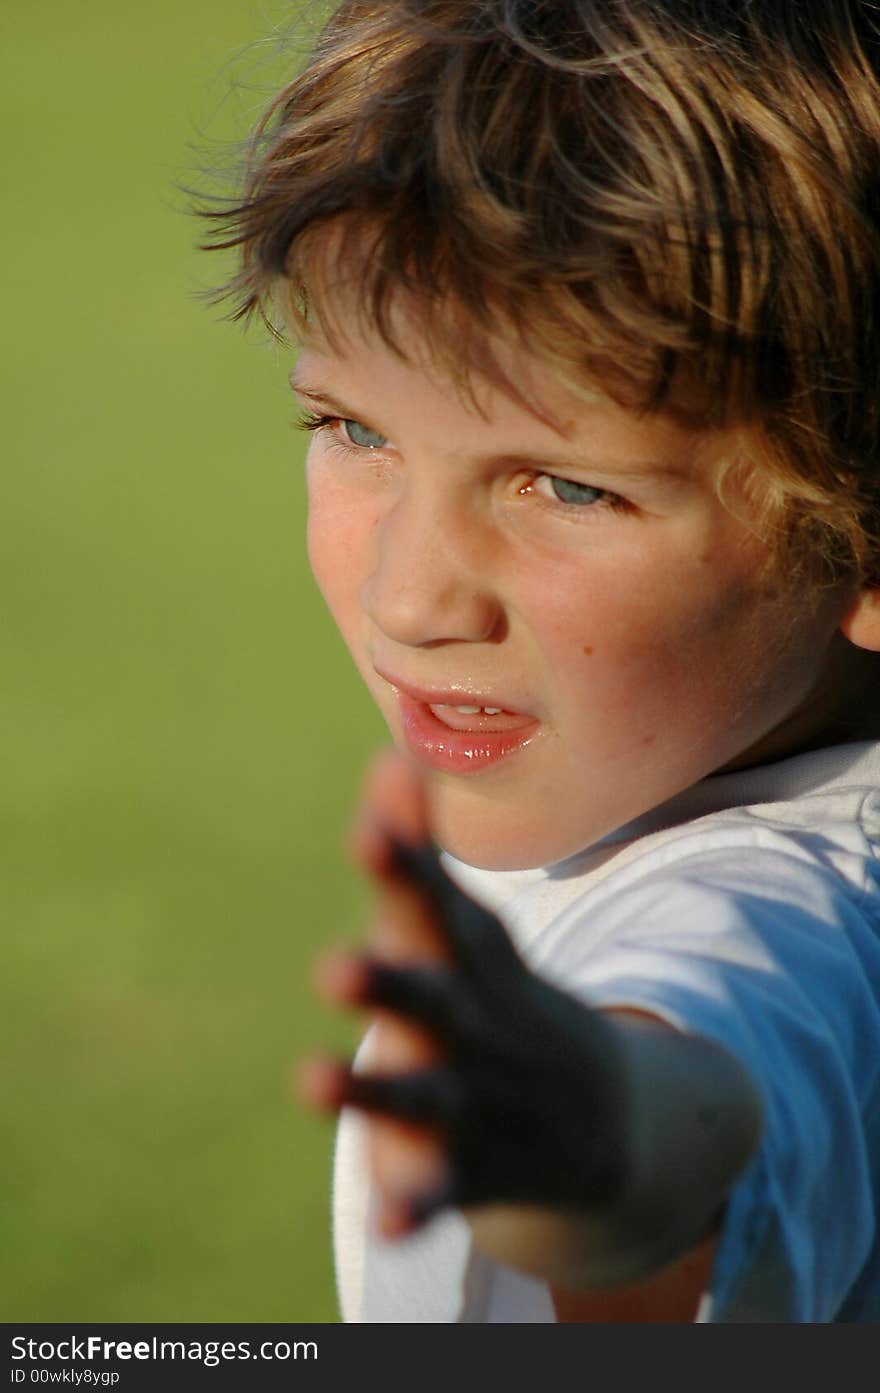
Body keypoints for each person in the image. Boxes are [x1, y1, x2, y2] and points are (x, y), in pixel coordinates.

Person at [203, 1, 880, 1321]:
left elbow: (697, 1105)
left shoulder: (786, 909)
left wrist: (587, 1137)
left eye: (566, 488)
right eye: (352, 427)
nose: (410, 597)